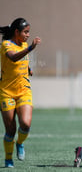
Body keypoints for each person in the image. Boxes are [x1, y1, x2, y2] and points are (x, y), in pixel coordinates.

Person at [0, 18, 41, 168]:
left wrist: (28, 69)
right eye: (25, 32)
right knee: (10, 129)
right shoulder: (6, 45)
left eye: (29, 32)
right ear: (16, 32)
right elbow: (12, 58)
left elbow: (22, 60)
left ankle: (20, 143)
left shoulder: (23, 44)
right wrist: (31, 48)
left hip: (23, 90)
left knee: (25, 124)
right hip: (6, 92)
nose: (28, 35)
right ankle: (8, 159)